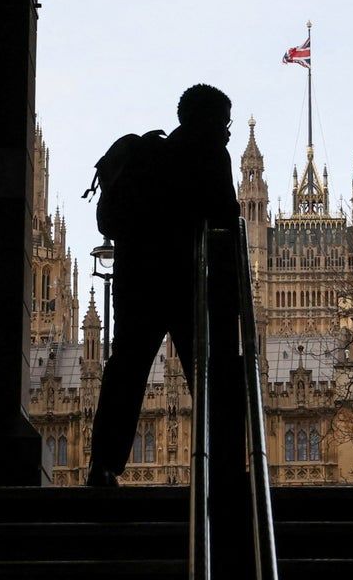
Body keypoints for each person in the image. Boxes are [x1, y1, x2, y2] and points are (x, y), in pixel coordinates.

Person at [85, 84, 240, 487]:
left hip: (136, 284)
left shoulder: (147, 155)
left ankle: (103, 465)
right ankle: (223, 466)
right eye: (224, 124)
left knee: (126, 371)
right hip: (186, 284)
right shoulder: (209, 155)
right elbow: (227, 218)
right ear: (207, 122)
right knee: (209, 375)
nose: (227, 133)